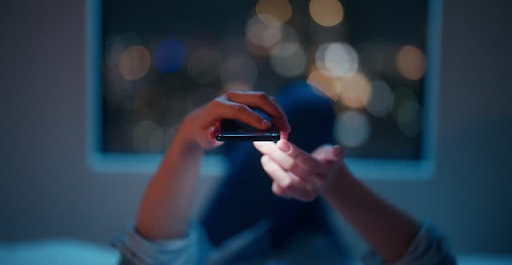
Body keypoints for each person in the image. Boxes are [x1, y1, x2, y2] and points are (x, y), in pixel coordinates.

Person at [113, 86, 455, 264]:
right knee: (309, 109)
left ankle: (240, 151)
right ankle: (244, 152)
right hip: (317, 249)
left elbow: (147, 259)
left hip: (227, 251)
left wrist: (188, 138)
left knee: (305, 112)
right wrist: (334, 183)